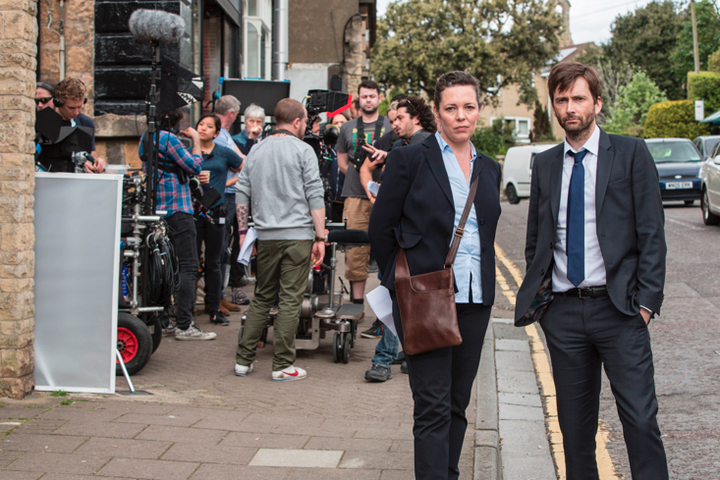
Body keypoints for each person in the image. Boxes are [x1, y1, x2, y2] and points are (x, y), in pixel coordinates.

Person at [515, 61, 668, 480]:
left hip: (621, 312)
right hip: (564, 315)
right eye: (561, 100)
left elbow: (652, 233)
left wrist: (646, 305)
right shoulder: (545, 164)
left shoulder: (631, 153)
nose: (570, 107)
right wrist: (545, 306)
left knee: (639, 421)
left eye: (578, 98)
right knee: (575, 431)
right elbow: (536, 240)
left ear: (597, 103)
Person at [368, 71, 502, 479]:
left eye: (469, 107)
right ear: (438, 113)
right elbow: (381, 230)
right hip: (425, 300)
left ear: (479, 110)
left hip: (475, 301)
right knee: (431, 406)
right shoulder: (410, 159)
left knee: (458, 404)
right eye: (451, 108)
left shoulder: (490, 168)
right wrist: (399, 287)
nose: (461, 116)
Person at [234, 98, 326, 381]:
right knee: (289, 300)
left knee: (261, 297)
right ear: (297, 122)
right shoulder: (303, 150)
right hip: (297, 236)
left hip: (265, 236)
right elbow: (315, 195)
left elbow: (241, 194)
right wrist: (320, 236)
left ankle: (243, 361)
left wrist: (241, 235)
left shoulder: (256, 151)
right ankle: (283, 365)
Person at [363, 95, 437, 383]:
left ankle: (384, 359)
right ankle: (406, 354)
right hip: (413, 238)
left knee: (397, 299)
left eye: (399, 119)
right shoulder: (401, 147)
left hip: (406, 239)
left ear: (416, 117)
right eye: (391, 120)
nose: (394, 124)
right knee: (404, 302)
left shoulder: (414, 149)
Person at [138, 107, 216, 341]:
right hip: (178, 208)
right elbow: (194, 166)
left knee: (164, 268)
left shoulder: (146, 137)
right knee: (189, 266)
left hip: (157, 210)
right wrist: (194, 140)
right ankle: (184, 324)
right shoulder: (169, 139)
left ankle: (164, 321)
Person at [336, 80, 391, 335]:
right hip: (355, 198)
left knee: (386, 254)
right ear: (358, 100)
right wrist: (363, 180)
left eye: (372, 96)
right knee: (355, 252)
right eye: (363, 97)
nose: (368, 100)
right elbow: (342, 162)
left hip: (386, 198)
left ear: (380, 98)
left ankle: (386, 314)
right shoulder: (346, 127)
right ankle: (357, 307)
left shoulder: (391, 126)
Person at [195, 114, 243, 326]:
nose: (203, 128)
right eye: (200, 125)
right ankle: (187, 308)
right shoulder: (189, 154)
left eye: (208, 126)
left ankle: (214, 307)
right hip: (194, 212)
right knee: (192, 263)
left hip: (216, 210)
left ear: (216, 132)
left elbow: (244, 169)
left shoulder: (223, 153)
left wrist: (225, 183)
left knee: (214, 262)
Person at [226, 103, 266, 306]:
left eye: (259, 122)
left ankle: (262, 285)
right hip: (239, 195)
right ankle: (236, 285)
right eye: (252, 121)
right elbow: (245, 165)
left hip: (260, 196)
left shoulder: (266, 141)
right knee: (239, 242)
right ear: (245, 122)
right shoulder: (236, 141)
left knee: (260, 241)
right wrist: (251, 139)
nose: (255, 125)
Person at [37, 77, 106, 173]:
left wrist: (96, 162)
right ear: (58, 103)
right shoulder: (45, 120)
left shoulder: (86, 122)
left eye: (79, 107)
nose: (76, 112)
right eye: (71, 108)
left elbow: (90, 155)